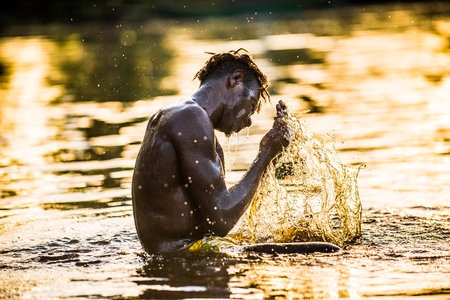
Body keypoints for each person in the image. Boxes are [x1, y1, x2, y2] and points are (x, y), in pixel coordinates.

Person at [132, 49, 290, 254]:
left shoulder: (182, 116)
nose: (249, 120)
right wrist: (267, 154)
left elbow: (212, 219)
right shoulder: (190, 118)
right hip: (182, 261)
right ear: (236, 79)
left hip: (180, 257)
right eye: (251, 105)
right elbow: (222, 219)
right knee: (322, 251)